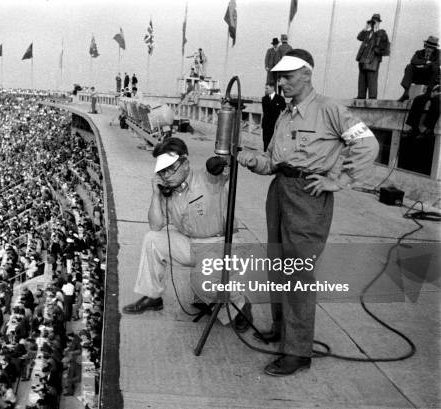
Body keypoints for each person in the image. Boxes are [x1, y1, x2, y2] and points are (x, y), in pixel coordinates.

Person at [237, 49, 379, 376]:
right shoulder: (286, 114)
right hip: (280, 190)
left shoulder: (329, 108)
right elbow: (272, 160)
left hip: (309, 196)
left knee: (297, 273)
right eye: (278, 76)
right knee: (276, 263)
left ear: (307, 74)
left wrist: (340, 180)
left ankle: (298, 351)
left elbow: (367, 144)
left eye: (287, 76)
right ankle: (281, 329)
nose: (281, 82)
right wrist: (249, 159)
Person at [122, 137, 249, 329]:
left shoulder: (208, 178)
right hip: (191, 242)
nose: (167, 176)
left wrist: (221, 162)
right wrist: (156, 195)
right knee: (152, 240)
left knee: (199, 281)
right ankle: (153, 296)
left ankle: (240, 306)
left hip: (220, 244)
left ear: (186, 164)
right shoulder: (168, 191)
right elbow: (155, 226)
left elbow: (223, 168)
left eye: (171, 169)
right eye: (162, 171)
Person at [355, 13, 389, 99]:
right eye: (373, 21)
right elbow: (359, 37)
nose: (373, 23)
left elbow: (384, 43)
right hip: (363, 59)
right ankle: (361, 96)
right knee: (362, 79)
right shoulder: (368, 32)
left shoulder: (382, 33)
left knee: (372, 79)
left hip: (373, 59)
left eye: (375, 21)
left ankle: (372, 97)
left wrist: (377, 31)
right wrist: (366, 27)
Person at [398, 36, 440, 102]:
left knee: (435, 68)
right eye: (428, 47)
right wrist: (426, 62)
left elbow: (437, 63)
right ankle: (406, 93)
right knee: (409, 67)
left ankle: (428, 92)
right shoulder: (419, 52)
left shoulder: (438, 53)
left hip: (430, 77)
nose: (429, 49)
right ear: (425, 46)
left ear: (434, 49)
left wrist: (426, 65)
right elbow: (413, 61)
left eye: (431, 48)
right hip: (419, 76)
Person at [261, 82, 286, 151]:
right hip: (266, 125)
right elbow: (265, 112)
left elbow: (284, 111)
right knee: (265, 141)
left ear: (272, 88)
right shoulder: (264, 99)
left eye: (267, 88)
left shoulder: (280, 99)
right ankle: (265, 155)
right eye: (265, 88)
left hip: (275, 124)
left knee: (274, 142)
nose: (266, 90)